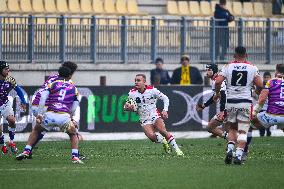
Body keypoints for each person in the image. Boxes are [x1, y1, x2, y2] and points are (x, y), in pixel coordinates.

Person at [16, 66, 83, 164]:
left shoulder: (52, 83)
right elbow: (74, 106)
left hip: (50, 114)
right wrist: (71, 117)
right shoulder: (73, 87)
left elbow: (43, 97)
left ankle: (27, 150)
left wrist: (40, 114)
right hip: (64, 117)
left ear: (58, 74)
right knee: (73, 134)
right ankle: (75, 156)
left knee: (36, 130)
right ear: (69, 75)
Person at [213, 46, 263, 165]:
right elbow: (260, 84)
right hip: (245, 102)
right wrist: (256, 89)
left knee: (232, 128)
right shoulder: (252, 67)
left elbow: (218, 81)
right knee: (243, 130)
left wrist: (217, 93)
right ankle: (239, 155)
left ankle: (230, 150)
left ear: (234, 55)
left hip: (231, 102)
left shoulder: (228, 66)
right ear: (246, 55)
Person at [124, 74, 184, 156]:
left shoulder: (152, 90)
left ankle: (177, 150)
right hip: (143, 118)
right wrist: (128, 107)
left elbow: (165, 98)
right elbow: (126, 106)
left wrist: (165, 110)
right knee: (152, 137)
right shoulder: (132, 93)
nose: (136, 82)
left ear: (144, 82)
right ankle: (163, 141)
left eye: (138, 80)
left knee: (163, 131)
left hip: (154, 115)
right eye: (135, 80)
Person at [0, 61, 28, 154]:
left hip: (5, 103)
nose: (8, 70)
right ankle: (3, 145)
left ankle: (11, 142)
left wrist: (23, 101)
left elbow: (18, 90)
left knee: (12, 120)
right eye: (5, 69)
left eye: (8, 68)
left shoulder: (10, 79)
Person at [196, 63, 228, 139]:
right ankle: (235, 146)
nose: (207, 72)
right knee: (228, 130)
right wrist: (204, 105)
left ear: (214, 71)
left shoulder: (218, 80)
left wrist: (222, 110)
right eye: (206, 70)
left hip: (228, 108)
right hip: (230, 107)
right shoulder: (216, 80)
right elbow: (215, 97)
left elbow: (223, 94)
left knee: (210, 127)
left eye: (209, 70)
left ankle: (233, 142)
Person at [252, 64, 284, 130]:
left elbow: (262, 99)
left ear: (276, 72)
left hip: (271, 116)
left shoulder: (270, 82)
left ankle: (263, 130)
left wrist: (254, 112)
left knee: (251, 119)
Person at [258, 71, 272, 137]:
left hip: (269, 106)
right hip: (261, 106)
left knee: (268, 120)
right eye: (265, 77)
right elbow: (256, 94)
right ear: (263, 78)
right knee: (260, 120)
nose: (266, 79)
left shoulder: (273, 85)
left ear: (270, 78)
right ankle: (262, 132)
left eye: (268, 77)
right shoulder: (260, 86)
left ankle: (268, 130)